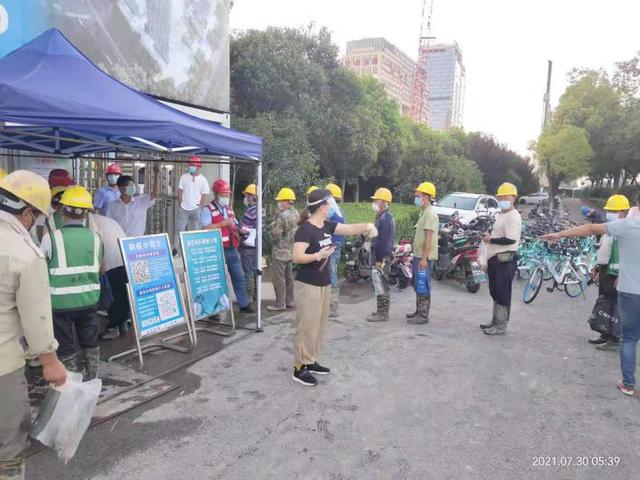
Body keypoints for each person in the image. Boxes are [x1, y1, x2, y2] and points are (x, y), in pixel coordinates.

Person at [0, 171, 67, 480]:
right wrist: (50, 361)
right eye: (37, 216)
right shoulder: (25, 254)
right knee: (9, 442)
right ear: (27, 213)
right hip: (3, 364)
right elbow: (36, 316)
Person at [540, 202, 640, 397]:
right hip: (628, 290)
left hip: (629, 291)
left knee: (629, 338)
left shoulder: (628, 225)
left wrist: (559, 234)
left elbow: (591, 228)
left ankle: (628, 384)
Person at [291, 188, 378, 386]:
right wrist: (317, 256)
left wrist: (368, 226)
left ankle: (310, 360)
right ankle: (299, 368)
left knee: (319, 326)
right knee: (306, 326)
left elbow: (350, 229)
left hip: (324, 283)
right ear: (321, 207)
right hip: (308, 285)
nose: (332, 207)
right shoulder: (306, 229)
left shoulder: (327, 226)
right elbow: (296, 256)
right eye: (329, 203)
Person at [40, 186, 104, 380]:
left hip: (60, 304)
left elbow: (39, 269)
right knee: (90, 342)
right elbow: (100, 268)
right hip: (88, 301)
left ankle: (71, 384)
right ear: (86, 214)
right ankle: (92, 379)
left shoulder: (51, 238)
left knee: (65, 347)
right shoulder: (96, 239)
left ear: (62, 211)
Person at [201, 179, 254, 313]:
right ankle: (213, 309)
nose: (225, 197)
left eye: (227, 195)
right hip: (215, 250)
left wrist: (240, 230)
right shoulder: (208, 209)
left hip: (232, 248)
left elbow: (234, 224)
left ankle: (243, 304)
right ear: (216, 194)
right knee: (215, 280)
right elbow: (205, 228)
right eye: (223, 195)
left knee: (239, 276)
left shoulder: (229, 209)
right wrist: (223, 224)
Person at [588, 194, 629, 350]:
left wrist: (620, 275)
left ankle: (615, 339)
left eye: (614, 210)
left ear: (624, 211)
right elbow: (603, 250)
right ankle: (604, 333)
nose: (610, 213)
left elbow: (627, 255)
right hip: (606, 269)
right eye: (609, 210)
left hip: (616, 273)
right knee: (605, 303)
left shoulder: (626, 230)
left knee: (616, 306)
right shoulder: (609, 228)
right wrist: (596, 267)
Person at [480, 183, 522, 335]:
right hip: (496, 259)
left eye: (505, 197)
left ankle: (500, 325)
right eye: (500, 197)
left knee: (503, 293)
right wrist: (489, 237)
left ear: (514, 198)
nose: (502, 200)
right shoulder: (503, 214)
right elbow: (499, 234)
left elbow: (510, 239)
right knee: (496, 291)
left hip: (505, 260)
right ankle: (495, 321)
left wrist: (491, 240)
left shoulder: (513, 216)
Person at [87, 213, 129, 339]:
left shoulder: (91, 222)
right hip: (125, 257)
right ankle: (122, 325)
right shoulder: (108, 220)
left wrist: (99, 266)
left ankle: (113, 328)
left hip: (111, 262)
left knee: (114, 297)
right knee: (122, 294)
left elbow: (96, 244)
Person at [407, 181, 439, 324]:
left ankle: (423, 315)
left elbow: (428, 238)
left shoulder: (430, 214)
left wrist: (424, 258)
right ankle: (419, 310)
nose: (416, 198)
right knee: (417, 283)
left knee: (423, 284)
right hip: (419, 255)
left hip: (424, 256)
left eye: (418, 196)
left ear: (426, 197)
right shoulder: (423, 212)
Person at [367, 188, 396, 323]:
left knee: (381, 284)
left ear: (384, 202)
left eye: (376, 200)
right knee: (378, 283)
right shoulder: (381, 217)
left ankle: (383, 313)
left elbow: (383, 241)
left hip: (382, 257)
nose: (374, 203)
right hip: (379, 255)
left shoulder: (386, 219)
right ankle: (380, 310)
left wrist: (379, 259)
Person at [267, 188, 299, 312]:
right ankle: (290, 301)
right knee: (289, 277)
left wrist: (274, 222)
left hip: (279, 252)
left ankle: (280, 304)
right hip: (290, 250)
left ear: (286, 201)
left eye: (280, 201)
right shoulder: (296, 213)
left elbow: (275, 234)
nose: (279, 203)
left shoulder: (282, 216)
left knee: (279, 279)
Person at [106, 167, 159, 237]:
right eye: (130, 186)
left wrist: (156, 174)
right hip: (120, 241)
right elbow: (109, 225)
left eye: (133, 185)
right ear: (121, 189)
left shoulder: (141, 202)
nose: (133, 188)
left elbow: (155, 194)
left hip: (137, 241)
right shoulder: (112, 206)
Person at [173, 157, 209, 254]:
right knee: (179, 229)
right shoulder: (184, 177)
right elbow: (179, 191)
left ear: (198, 167)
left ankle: (193, 250)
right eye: (191, 165)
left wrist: (200, 206)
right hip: (184, 208)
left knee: (195, 230)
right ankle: (175, 249)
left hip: (196, 208)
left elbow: (204, 195)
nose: (191, 167)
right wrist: (181, 203)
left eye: (193, 166)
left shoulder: (203, 180)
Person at [239, 183, 263, 303]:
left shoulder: (250, 211)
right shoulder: (262, 210)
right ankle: (256, 296)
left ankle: (248, 298)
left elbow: (243, 229)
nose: (246, 198)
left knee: (248, 272)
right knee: (255, 271)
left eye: (247, 195)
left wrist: (239, 229)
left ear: (252, 197)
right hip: (258, 246)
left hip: (248, 246)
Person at [325, 183, 345, 317]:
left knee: (331, 274)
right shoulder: (339, 211)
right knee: (331, 273)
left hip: (332, 246)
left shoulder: (331, 211)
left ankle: (332, 306)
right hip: (336, 245)